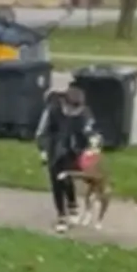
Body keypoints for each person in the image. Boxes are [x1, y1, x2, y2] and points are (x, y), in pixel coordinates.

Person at [34, 84, 98, 233]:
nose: (74, 113)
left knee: (68, 178)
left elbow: (90, 131)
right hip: (54, 149)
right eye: (72, 110)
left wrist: (93, 142)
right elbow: (41, 133)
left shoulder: (84, 114)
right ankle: (61, 215)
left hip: (74, 150)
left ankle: (72, 205)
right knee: (57, 182)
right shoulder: (52, 110)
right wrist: (43, 150)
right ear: (64, 103)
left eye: (78, 110)